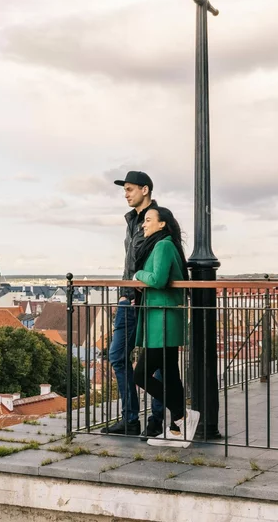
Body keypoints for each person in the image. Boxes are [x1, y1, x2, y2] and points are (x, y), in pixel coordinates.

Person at [102, 170, 165, 437]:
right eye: (124, 190)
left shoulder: (156, 219)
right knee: (117, 355)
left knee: (157, 361)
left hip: (148, 299)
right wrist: (124, 293)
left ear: (145, 189)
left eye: (129, 189)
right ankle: (130, 418)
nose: (126, 194)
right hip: (129, 298)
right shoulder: (132, 221)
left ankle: (157, 418)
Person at [132, 205, 198, 447]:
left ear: (162, 224)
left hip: (162, 320)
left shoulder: (163, 245)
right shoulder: (166, 244)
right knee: (170, 374)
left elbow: (158, 279)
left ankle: (181, 415)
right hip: (165, 318)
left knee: (141, 374)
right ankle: (177, 429)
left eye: (148, 220)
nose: (143, 224)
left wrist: (139, 274)